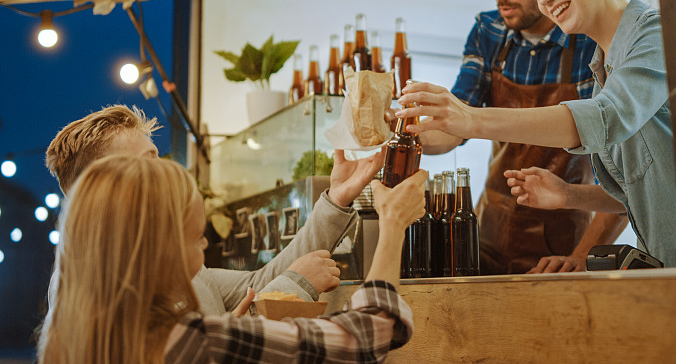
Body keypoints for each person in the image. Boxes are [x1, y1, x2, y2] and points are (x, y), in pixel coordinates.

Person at [398, 0, 676, 267]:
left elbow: (604, 118)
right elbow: (635, 193)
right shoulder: (603, 66)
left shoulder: (655, 32)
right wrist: (568, 194)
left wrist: (471, 118)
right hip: (666, 266)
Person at [36, 154, 428, 363]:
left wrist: (335, 201)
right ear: (149, 238)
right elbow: (367, 336)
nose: (204, 245)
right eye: (194, 239)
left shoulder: (65, 339)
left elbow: (260, 279)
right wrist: (393, 223)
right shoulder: (191, 342)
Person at [44, 105, 382, 313]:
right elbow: (219, 348)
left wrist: (336, 198)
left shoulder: (166, 257)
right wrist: (299, 284)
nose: (169, 172)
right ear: (103, 184)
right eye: (150, 164)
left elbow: (258, 283)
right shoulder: (106, 279)